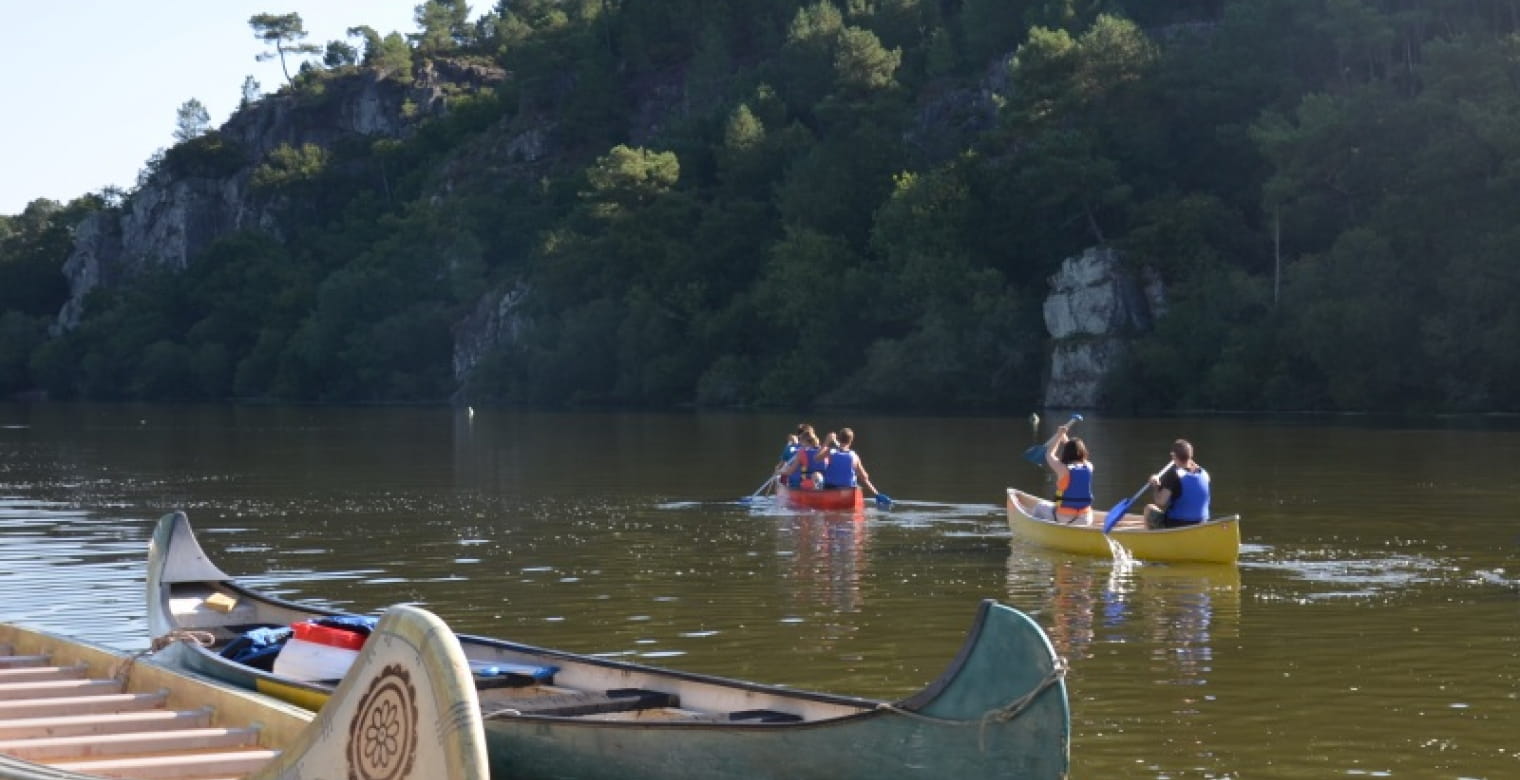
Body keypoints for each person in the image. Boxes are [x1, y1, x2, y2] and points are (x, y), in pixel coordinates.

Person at [1143, 439, 1211, 529]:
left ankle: (1151, 538)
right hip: (1202, 523)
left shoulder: (1174, 474)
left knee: (1149, 509)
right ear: (1191, 455)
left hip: (1178, 525)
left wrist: (1155, 485)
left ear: (1173, 455)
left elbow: (1161, 502)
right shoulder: (1204, 474)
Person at [1040, 421, 1094, 524]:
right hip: (1086, 519)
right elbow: (1077, 453)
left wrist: (1059, 435)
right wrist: (1066, 441)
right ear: (1083, 452)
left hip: (1065, 518)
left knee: (1040, 506)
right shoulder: (1089, 466)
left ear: (1066, 452)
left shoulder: (1063, 469)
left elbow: (1049, 454)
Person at [816, 428, 883, 499]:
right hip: (849, 491)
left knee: (818, 479)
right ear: (851, 441)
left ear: (838, 439)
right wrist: (877, 494)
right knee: (857, 485)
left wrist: (826, 442)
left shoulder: (830, 451)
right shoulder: (854, 456)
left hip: (830, 489)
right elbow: (864, 477)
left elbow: (817, 458)